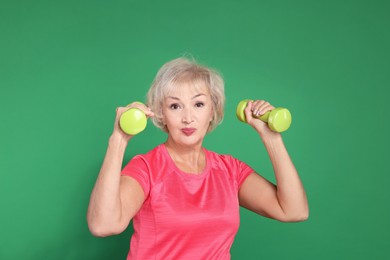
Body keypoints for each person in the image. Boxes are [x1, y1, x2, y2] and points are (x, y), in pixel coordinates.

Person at [87, 57, 309, 259]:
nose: (188, 118)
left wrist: (271, 138)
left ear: (213, 110)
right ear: (161, 113)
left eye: (198, 104)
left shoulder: (229, 170)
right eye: (175, 106)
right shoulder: (146, 168)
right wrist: (119, 139)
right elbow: (103, 225)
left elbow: (294, 210)